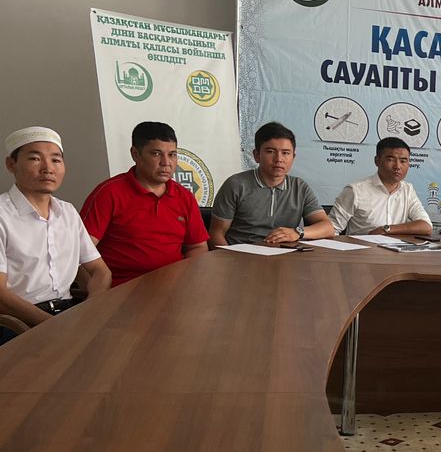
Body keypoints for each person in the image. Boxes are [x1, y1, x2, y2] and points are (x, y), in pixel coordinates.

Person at [0, 127, 111, 343]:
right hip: (16, 322)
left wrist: (90, 310)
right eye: (35, 158)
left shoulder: (67, 212)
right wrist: (55, 326)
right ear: (11, 164)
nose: (48, 168)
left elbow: (100, 271)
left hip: (70, 312)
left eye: (56, 160)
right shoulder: (3, 215)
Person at [80, 121, 209, 286]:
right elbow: (81, 253)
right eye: (156, 154)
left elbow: (197, 247)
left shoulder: (184, 197)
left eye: (172, 155)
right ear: (135, 154)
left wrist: (186, 281)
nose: (166, 162)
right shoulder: (109, 193)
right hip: (121, 289)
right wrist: (98, 294)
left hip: (173, 287)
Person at [208, 122, 335, 247]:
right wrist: (230, 258)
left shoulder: (300, 188)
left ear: (293, 157)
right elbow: (216, 235)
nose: (279, 159)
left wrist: (297, 232)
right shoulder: (236, 185)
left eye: (285, 153)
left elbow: (328, 228)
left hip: (284, 256)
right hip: (240, 256)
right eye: (270, 151)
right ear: (256, 155)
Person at [330, 137, 433, 236]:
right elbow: (331, 229)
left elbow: (426, 226)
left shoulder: (408, 190)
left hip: (396, 248)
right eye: (391, 160)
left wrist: (387, 229)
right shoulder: (355, 190)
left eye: (403, 161)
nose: (397, 166)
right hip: (361, 247)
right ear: (377, 161)